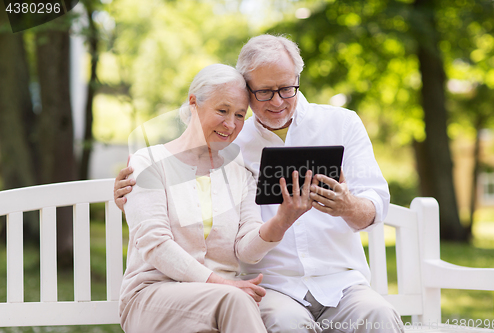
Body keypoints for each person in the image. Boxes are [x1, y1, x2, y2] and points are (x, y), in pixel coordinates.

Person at [115, 35, 404, 333]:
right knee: (285, 323)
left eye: (286, 88)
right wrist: (133, 189)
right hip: (274, 289)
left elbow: (375, 205)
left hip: (342, 285)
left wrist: (348, 205)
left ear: (297, 79)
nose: (277, 101)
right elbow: (172, 175)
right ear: (248, 91)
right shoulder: (231, 142)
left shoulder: (341, 124)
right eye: (265, 92)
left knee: (379, 317)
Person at [118, 63, 314, 333]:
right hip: (153, 295)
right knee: (236, 299)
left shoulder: (239, 171)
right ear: (193, 104)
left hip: (222, 299)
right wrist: (224, 285)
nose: (230, 124)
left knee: (285, 316)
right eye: (222, 111)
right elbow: (155, 244)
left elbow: (245, 251)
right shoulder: (149, 161)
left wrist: (282, 220)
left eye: (239, 115)